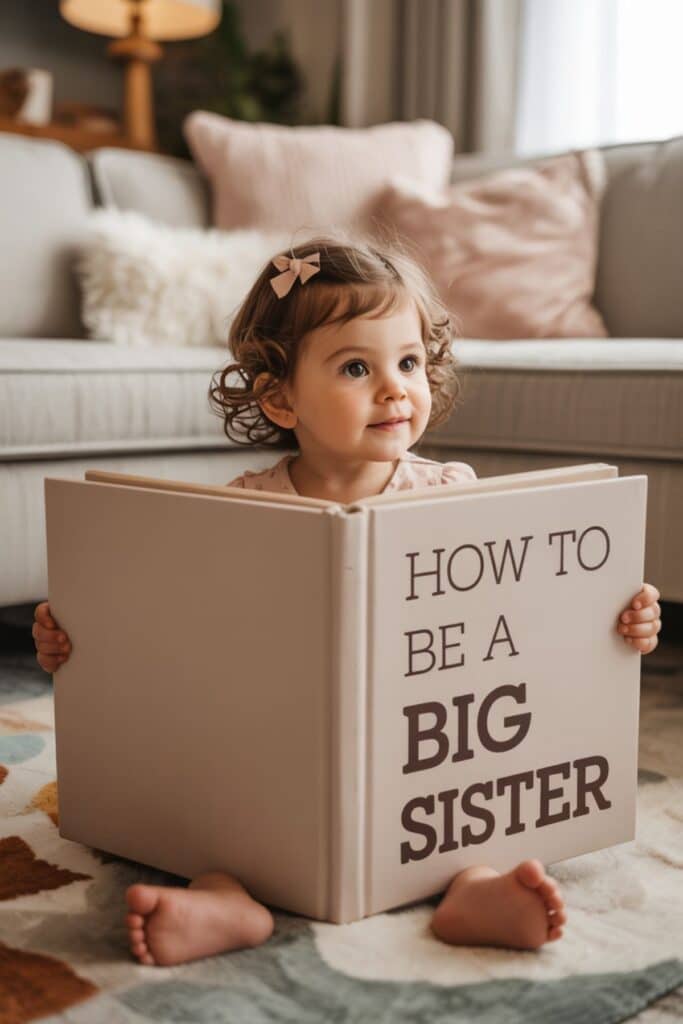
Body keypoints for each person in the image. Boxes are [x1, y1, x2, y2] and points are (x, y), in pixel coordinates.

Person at [32, 236, 662, 967]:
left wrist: (617, 617)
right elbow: (165, 629)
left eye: (408, 362)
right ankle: (224, 902)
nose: (395, 388)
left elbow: (533, 619)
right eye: (356, 368)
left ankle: (476, 895)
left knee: (470, 823)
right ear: (279, 397)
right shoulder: (243, 509)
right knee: (230, 824)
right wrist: (75, 639)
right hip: (279, 752)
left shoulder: (453, 497)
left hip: (425, 754)